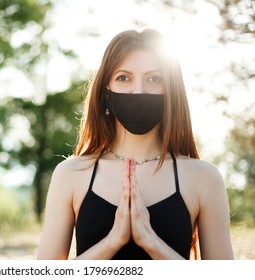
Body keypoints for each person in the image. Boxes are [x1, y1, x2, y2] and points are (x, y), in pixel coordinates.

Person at [36, 29, 234, 260]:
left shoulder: (204, 178)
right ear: (105, 92)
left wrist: (152, 243)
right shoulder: (71, 174)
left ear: (171, 91)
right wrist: (112, 242)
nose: (138, 91)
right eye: (123, 78)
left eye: (154, 78)